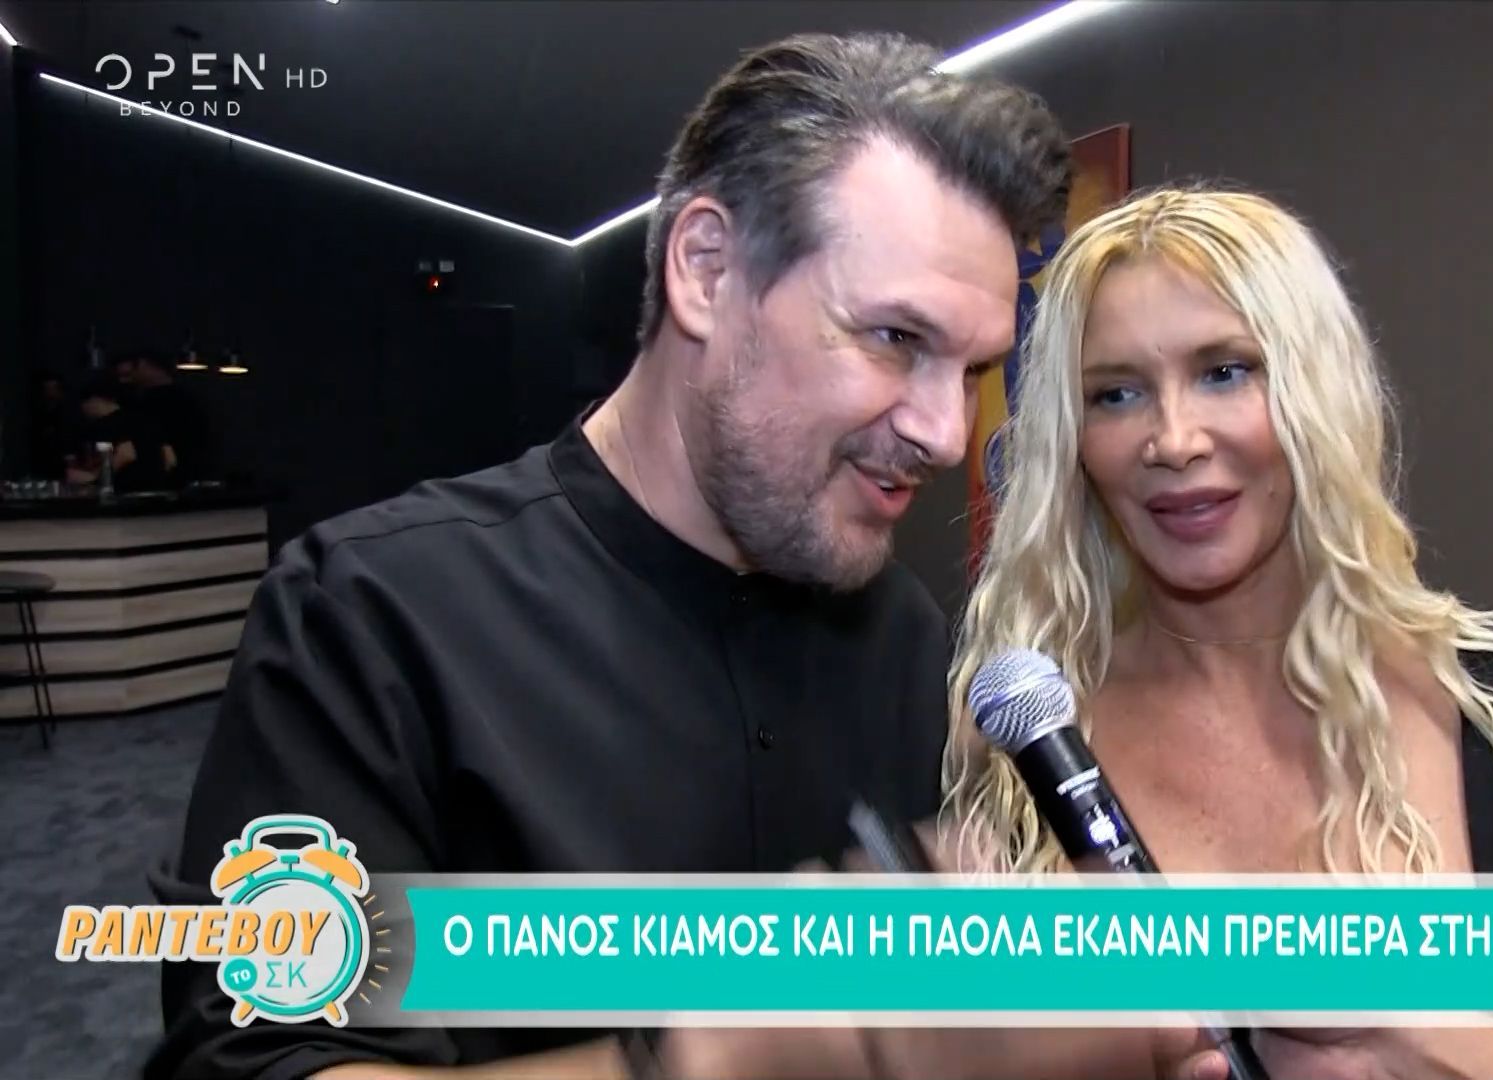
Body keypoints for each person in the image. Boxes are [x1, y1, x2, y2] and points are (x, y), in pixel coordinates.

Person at [147, 31, 1217, 1080]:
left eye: (973, 370)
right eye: (897, 339)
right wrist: (715, 1056)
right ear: (706, 270)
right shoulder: (371, 618)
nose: (944, 433)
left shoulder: (907, 640)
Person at [941, 186, 1493, 1080]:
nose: (1173, 439)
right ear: (1073, 438)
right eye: (1116, 394)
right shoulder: (1022, 743)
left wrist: (1428, 1041)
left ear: (1315, 389)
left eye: (1226, 371)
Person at [119, 348, 210, 483]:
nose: (125, 380)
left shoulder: (147, 404)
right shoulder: (190, 400)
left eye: (128, 374)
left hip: (162, 478)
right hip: (190, 475)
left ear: (144, 365)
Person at [65, 376, 171, 491]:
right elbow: (170, 459)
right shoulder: (145, 420)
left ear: (94, 400)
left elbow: (126, 454)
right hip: (156, 492)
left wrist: (95, 479)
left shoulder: (105, 425)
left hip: (125, 493)